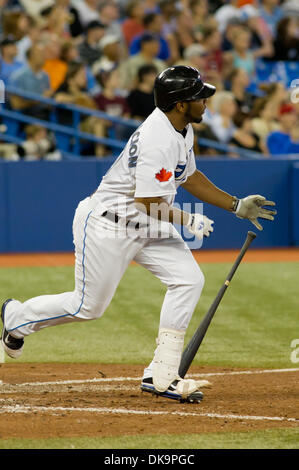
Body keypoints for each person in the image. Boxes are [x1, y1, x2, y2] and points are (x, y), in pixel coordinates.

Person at [1, 65, 276, 404]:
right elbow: (147, 201)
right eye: (198, 97)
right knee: (88, 307)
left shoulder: (182, 129)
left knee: (188, 279)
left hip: (148, 223)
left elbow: (188, 176)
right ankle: (16, 318)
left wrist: (235, 205)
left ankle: (161, 374)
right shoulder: (156, 139)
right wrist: (187, 219)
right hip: (108, 224)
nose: (206, 101)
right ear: (179, 103)